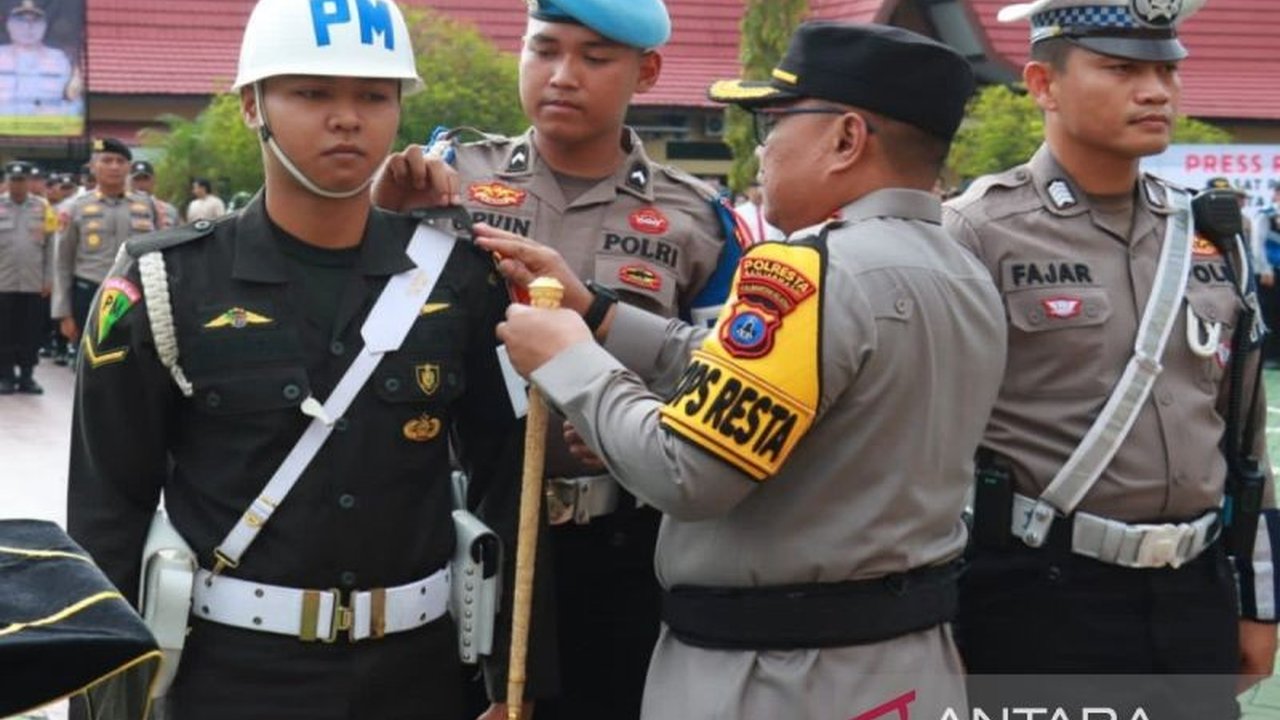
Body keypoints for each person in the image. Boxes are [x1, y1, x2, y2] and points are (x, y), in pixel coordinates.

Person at [479, 21, 1006, 719]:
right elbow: (768, 381)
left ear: (846, 139)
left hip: (778, 672)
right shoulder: (963, 271)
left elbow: (682, 471)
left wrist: (569, 360)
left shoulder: (809, 271)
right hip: (907, 656)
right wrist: (599, 313)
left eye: (775, 122)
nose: (762, 148)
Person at [66, 0, 531, 717]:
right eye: (312, 93)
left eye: (373, 96)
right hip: (230, 679)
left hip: (420, 677)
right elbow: (108, 512)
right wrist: (104, 705)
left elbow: (508, 481)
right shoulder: (163, 282)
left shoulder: (457, 278)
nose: (347, 119)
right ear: (253, 105)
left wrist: (512, 681)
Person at [372, 1, 747, 717]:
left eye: (594, 58)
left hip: (622, 545)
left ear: (648, 71)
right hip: (461, 533)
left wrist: (647, 424)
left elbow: (723, 375)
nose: (562, 75)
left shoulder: (698, 218)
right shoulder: (445, 179)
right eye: (544, 50)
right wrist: (378, 212)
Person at [943, 1, 1279, 716]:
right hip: (1036, 593)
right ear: (1043, 84)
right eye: (1122, 69)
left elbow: (1245, 440)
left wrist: (1259, 601)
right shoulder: (978, 233)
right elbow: (924, 446)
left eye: (1166, 71)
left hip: (1194, 590)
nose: (1156, 91)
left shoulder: (1211, 234)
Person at [52, 137, 157, 344]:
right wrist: (63, 313)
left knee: (135, 356)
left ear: (129, 167)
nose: (114, 167)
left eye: (120, 161)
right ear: (93, 167)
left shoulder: (146, 205)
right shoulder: (74, 207)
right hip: (90, 292)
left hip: (135, 293)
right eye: (107, 161)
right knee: (91, 357)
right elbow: (62, 262)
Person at [0, 160, 56, 394]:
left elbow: (51, 246)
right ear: (6, 181)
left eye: (21, 180)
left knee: (31, 333)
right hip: (3, 283)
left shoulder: (43, 207)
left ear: (28, 181)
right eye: (13, 180)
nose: (17, 185)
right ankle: (6, 377)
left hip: (34, 283)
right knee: (4, 332)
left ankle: (27, 377)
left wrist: (49, 279)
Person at [0, 0, 74, 116]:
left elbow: (76, 104)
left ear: (44, 26)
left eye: (35, 21)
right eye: (21, 21)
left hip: (46, 125)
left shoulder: (59, 60)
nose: (28, 27)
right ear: (9, 25)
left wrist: (58, 112)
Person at [1252, 183, 1280, 368]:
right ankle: (1268, 356)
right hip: (1270, 273)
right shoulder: (1266, 215)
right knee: (1269, 313)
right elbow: (1257, 244)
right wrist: (1264, 269)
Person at [130, 160, 180, 228]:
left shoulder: (169, 210)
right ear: (131, 182)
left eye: (146, 179)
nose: (141, 183)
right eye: (137, 179)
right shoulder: (123, 211)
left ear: (153, 180)